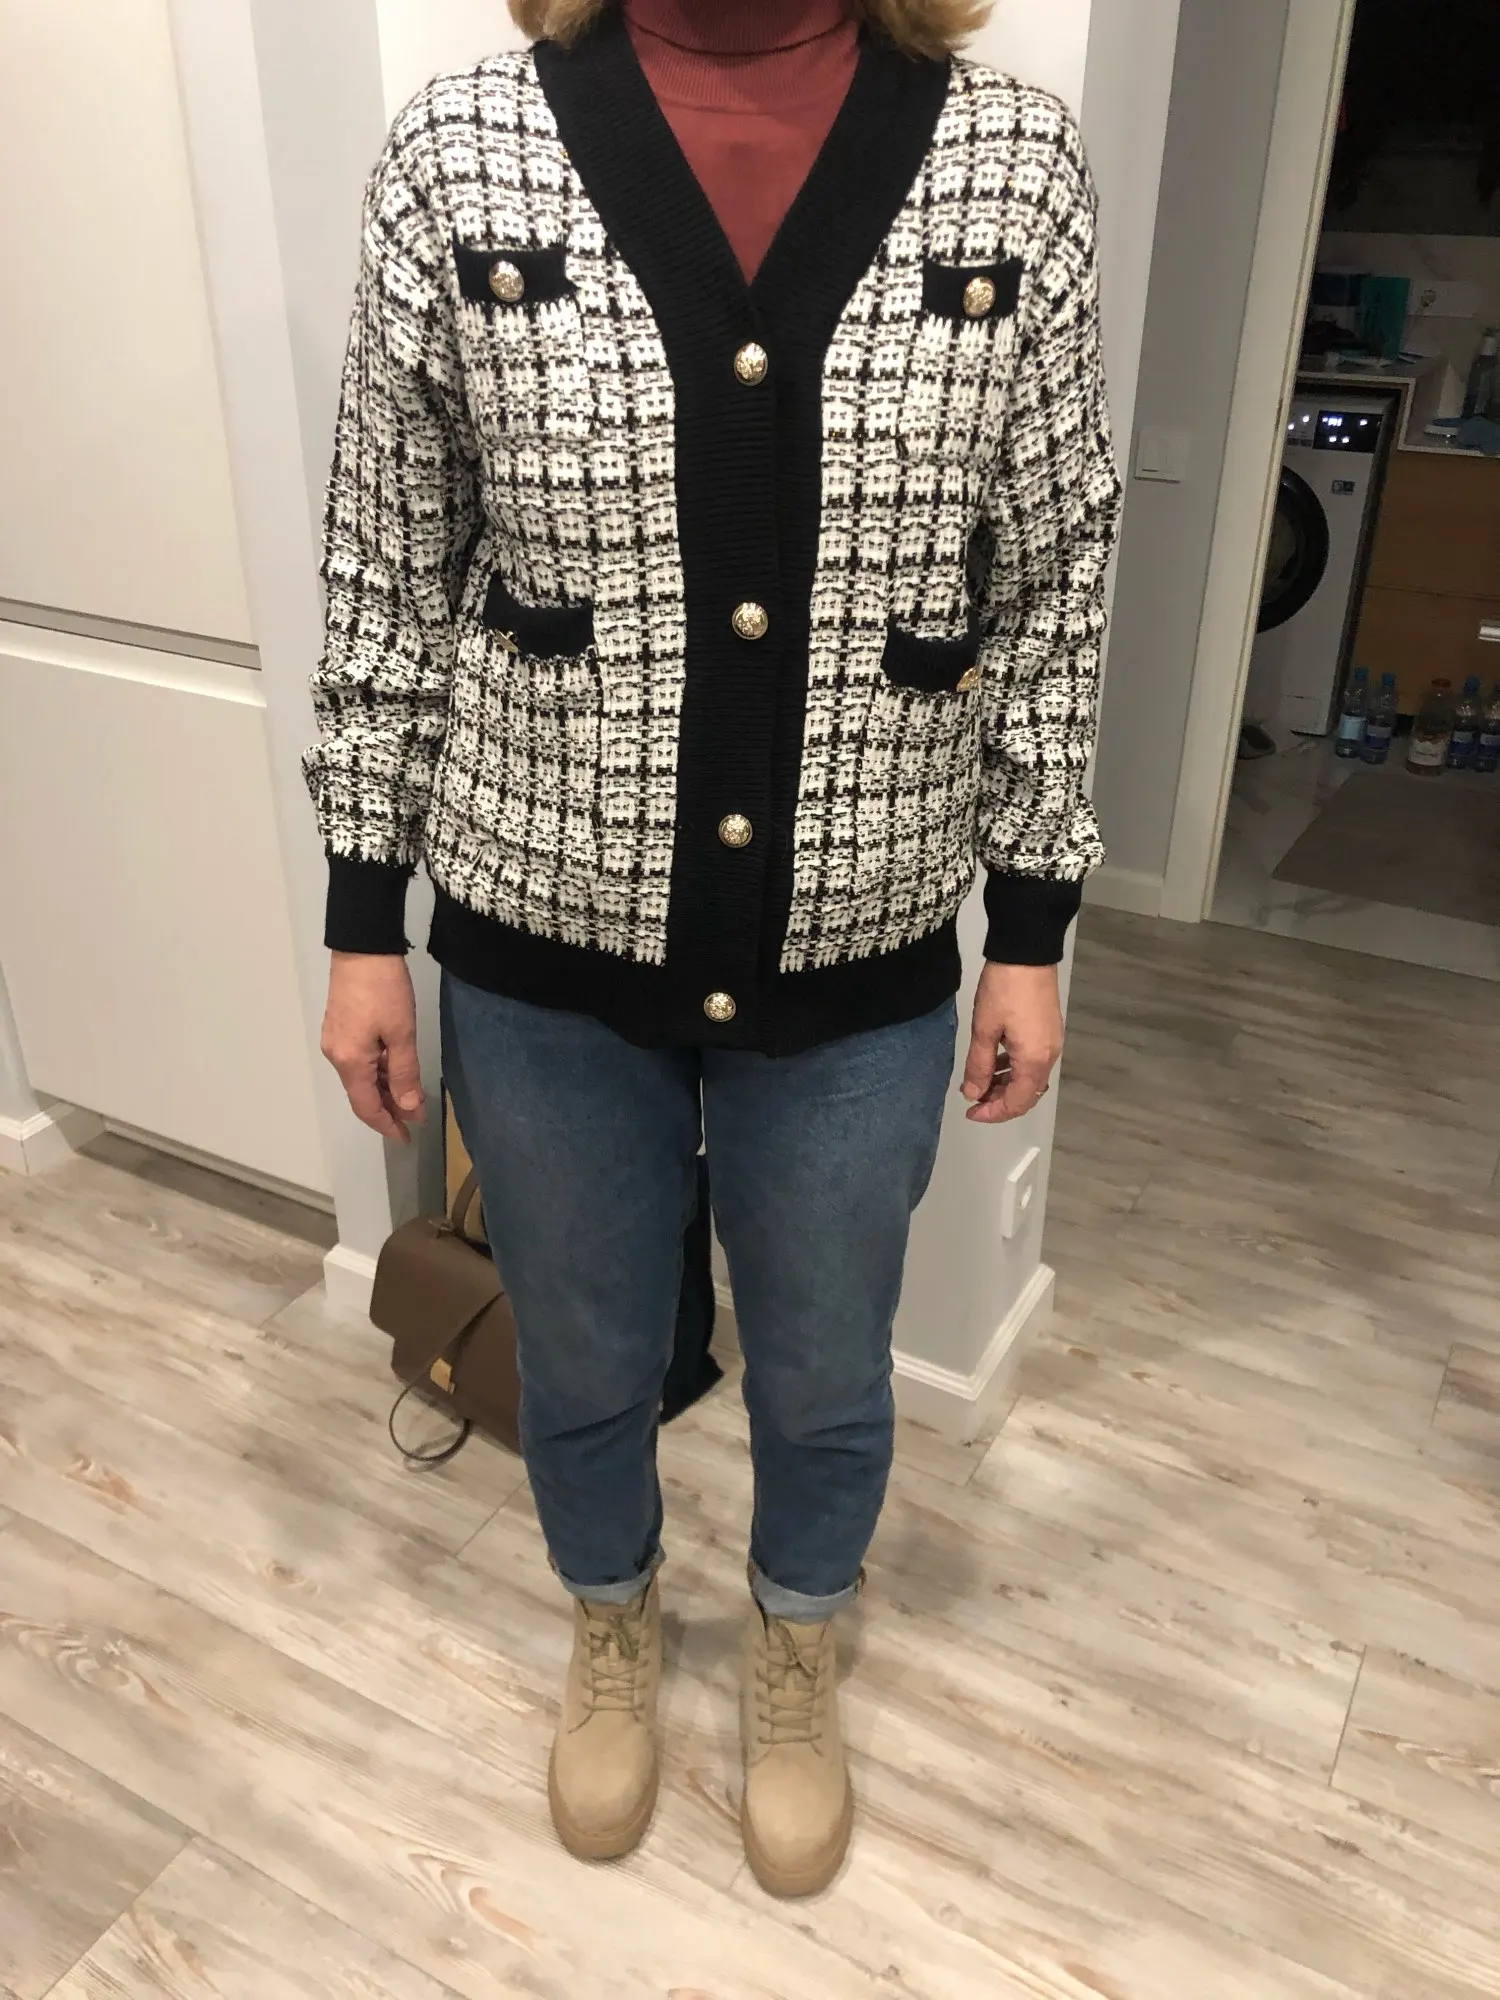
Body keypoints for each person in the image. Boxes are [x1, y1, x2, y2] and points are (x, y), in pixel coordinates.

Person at [309, 0, 1119, 1899]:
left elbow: (1055, 578)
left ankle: (796, 1635)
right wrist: (362, 921)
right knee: (586, 1348)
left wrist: (1031, 926)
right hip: (540, 939)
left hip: (857, 945)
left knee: (827, 1366)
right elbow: (383, 568)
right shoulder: (459, 152)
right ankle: (610, 1613)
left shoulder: (1012, 165)